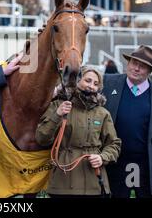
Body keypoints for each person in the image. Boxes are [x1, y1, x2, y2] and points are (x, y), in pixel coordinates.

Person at [103, 45, 152, 198]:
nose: (136, 68)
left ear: (150, 71)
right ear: (128, 63)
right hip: (112, 162)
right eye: (133, 63)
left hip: (147, 164)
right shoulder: (107, 83)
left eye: (142, 66)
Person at [35, 66, 121, 197]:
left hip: (94, 183)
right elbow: (42, 138)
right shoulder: (59, 106)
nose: (91, 86)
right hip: (63, 183)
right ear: (76, 80)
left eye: (96, 84)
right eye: (87, 80)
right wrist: (57, 115)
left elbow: (114, 144)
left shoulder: (103, 113)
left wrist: (102, 157)